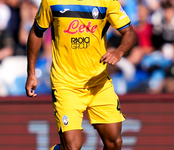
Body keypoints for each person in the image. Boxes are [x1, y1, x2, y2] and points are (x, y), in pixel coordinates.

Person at [25, 0, 136, 150]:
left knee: (114, 143)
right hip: (66, 84)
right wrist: (31, 73)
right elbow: (36, 32)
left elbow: (129, 32)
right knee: (72, 147)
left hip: (98, 83)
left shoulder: (107, 1)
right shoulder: (51, 1)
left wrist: (119, 52)